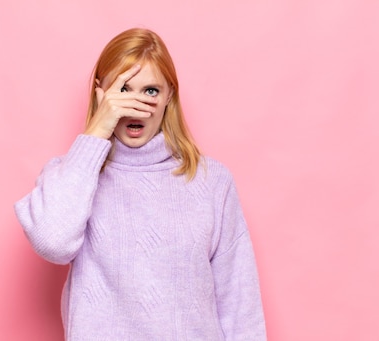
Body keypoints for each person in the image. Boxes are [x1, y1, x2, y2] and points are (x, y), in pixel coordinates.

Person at [14, 28, 266, 340]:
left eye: (150, 91)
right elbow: (52, 242)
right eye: (123, 90)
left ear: (168, 96)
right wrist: (96, 133)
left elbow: (239, 303)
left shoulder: (212, 181)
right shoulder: (70, 176)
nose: (136, 105)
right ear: (100, 95)